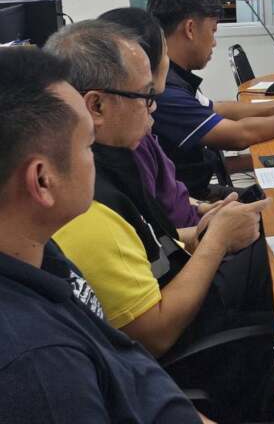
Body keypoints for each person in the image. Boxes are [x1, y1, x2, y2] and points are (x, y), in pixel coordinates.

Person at [45, 21, 274, 422]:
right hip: (180, 360)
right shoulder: (85, 205)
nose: (154, 109)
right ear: (95, 106)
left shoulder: (114, 165)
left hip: (183, 303)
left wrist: (202, 232)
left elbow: (144, 246)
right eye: (146, 97)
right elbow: (153, 335)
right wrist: (216, 241)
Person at [0, 46, 206, 423]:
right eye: (87, 145)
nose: (95, 158)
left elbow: (130, 375)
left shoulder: (41, 253)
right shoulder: (39, 366)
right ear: (42, 180)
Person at [146, 0, 274, 196]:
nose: (214, 42)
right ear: (190, 29)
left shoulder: (174, 75)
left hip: (195, 193)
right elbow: (239, 136)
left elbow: (218, 109)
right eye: (212, 31)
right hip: (192, 201)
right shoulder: (165, 89)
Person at [100, 7, 212, 228]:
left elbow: (170, 195)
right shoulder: (131, 140)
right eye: (165, 52)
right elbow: (158, 238)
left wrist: (204, 208)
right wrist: (215, 234)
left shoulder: (139, 127)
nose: (152, 109)